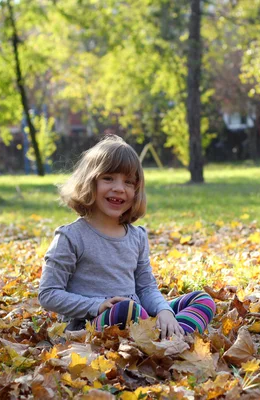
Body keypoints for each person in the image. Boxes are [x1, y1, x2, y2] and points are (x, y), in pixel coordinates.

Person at [38, 135, 216, 338]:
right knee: (127, 309)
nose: (119, 188)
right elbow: (48, 294)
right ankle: (160, 337)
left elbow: (146, 287)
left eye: (129, 182)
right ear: (89, 182)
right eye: (108, 178)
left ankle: (172, 338)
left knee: (202, 299)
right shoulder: (71, 237)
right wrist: (97, 305)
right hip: (92, 322)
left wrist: (164, 311)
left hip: (138, 314)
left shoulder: (136, 237)